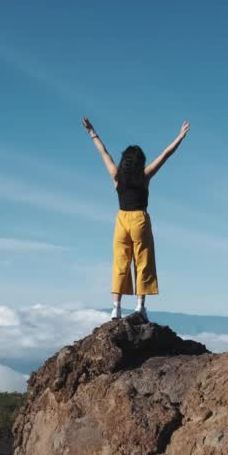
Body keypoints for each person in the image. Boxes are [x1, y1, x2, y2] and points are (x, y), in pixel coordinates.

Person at [83, 117, 190, 319]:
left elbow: (103, 153)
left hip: (122, 220)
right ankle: (140, 307)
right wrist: (180, 136)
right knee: (143, 262)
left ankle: (116, 307)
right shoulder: (145, 175)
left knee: (120, 262)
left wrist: (92, 133)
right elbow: (166, 155)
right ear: (140, 161)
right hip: (140, 220)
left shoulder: (116, 175)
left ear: (124, 161)